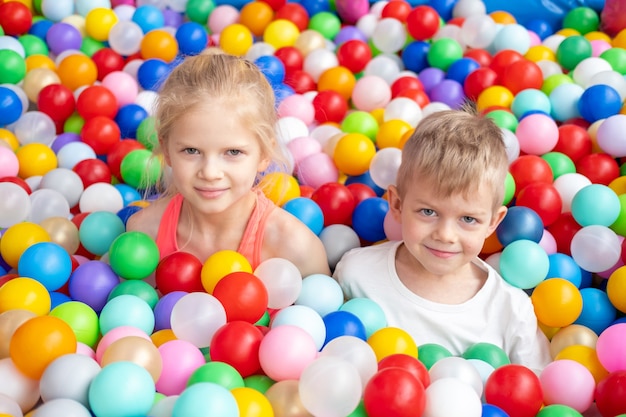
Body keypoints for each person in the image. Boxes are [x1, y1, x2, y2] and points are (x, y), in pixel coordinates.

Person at [333, 107, 551, 372]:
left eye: (468, 219)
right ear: (397, 204)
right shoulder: (357, 274)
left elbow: (536, 395)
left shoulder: (511, 311)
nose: (445, 235)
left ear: (493, 222)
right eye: (428, 212)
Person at [126, 49, 330, 278]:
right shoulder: (142, 237)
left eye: (233, 152)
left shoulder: (295, 249)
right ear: (167, 150)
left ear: (264, 153)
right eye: (191, 150)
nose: (210, 172)